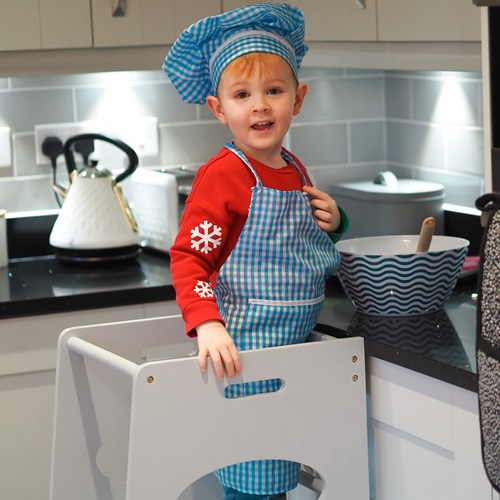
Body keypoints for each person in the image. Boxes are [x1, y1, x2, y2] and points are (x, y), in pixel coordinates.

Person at [163, 3, 349, 499]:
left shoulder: (293, 165)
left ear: (298, 97)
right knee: (254, 483)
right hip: (243, 355)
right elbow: (189, 259)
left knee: (282, 479)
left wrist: (335, 220)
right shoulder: (224, 174)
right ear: (219, 108)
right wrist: (207, 324)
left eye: (274, 91)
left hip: (293, 352)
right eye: (243, 95)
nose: (260, 106)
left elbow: (298, 244)